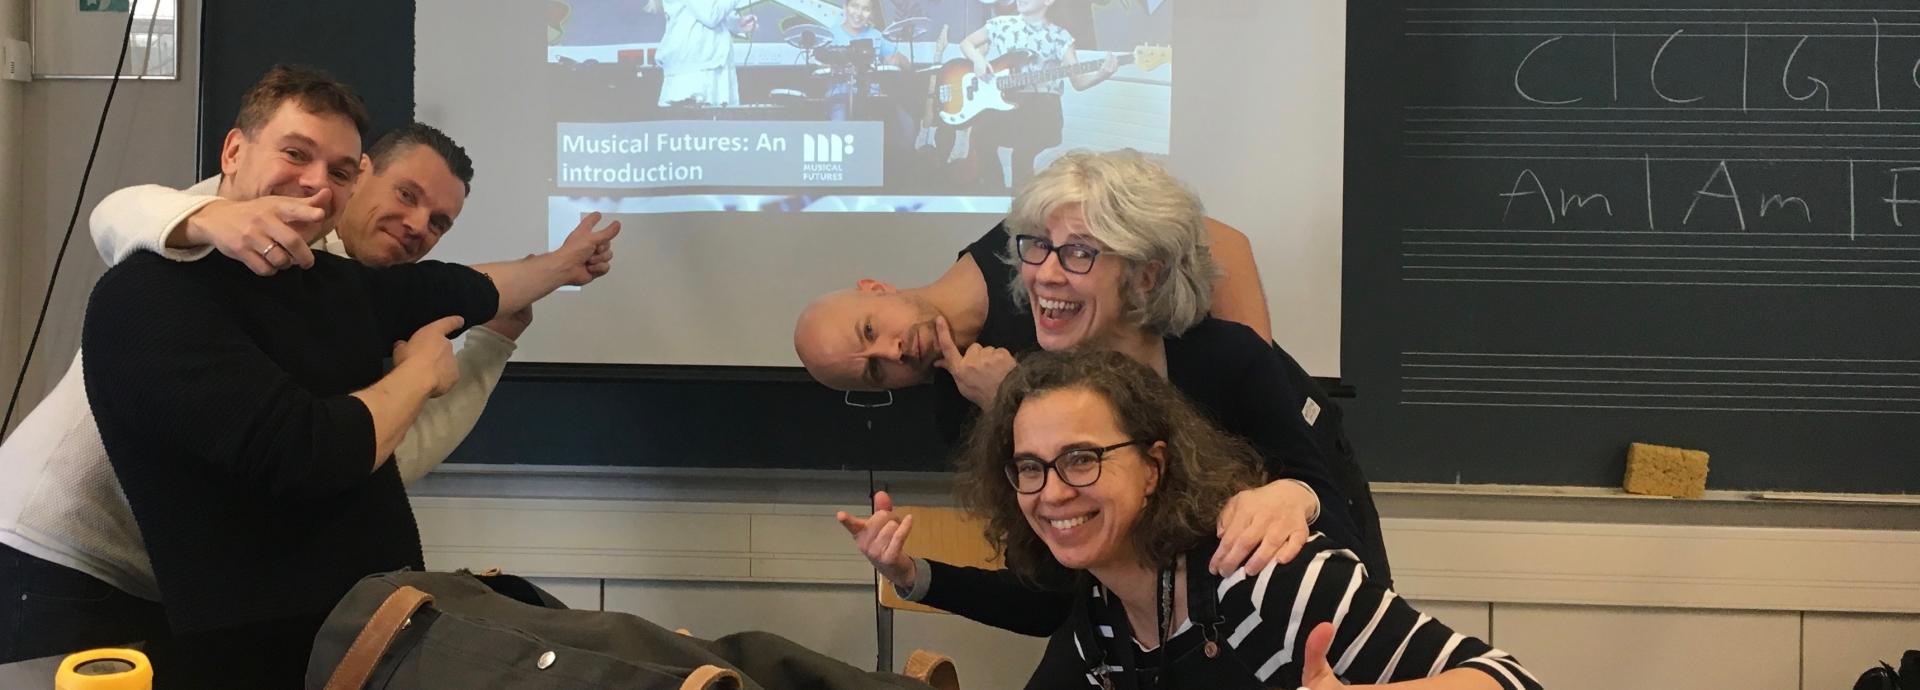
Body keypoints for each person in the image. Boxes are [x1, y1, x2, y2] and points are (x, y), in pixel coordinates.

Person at [93, 64, 615, 687]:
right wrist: (420, 372)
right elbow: (309, 453)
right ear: (233, 151)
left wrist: (559, 266)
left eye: (339, 171)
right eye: (296, 154)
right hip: (262, 655)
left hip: (373, 637)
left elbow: (466, 287)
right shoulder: (152, 290)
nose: (316, 183)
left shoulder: (327, 278)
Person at [824, 150, 1390, 639]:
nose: (1045, 274)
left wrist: (1295, 494)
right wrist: (910, 573)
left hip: (1254, 622)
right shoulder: (1036, 394)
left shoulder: (1224, 358)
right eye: (1037, 249)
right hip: (1138, 644)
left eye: (1078, 254)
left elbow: (1338, 552)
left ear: (1144, 275)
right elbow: (1050, 598)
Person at [953, 350, 1543, 689]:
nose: (1052, 492)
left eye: (1081, 459)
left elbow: (1515, 681)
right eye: (1029, 468)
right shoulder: (1103, 620)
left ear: (1154, 467)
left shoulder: (1260, 575)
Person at [955, 0, 1117, 188]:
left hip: (1040, 109)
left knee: (1022, 156)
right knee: (981, 140)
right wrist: (978, 60)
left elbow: (1079, 82)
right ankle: (996, 198)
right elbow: (966, 43)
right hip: (1006, 102)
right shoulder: (1000, 24)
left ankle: (1021, 207)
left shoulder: (1060, 37)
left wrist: (1101, 75)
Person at [649, 0, 760, 107]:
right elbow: (711, 14)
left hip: (708, 64)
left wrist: (735, 23)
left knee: (719, 123)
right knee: (695, 123)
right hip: (694, 71)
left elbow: (702, 11)